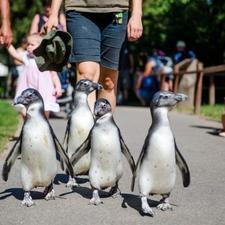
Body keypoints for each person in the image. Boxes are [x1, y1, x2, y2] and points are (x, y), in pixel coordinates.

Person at [44, 0, 143, 112]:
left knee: (108, 81)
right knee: (86, 75)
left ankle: (103, 127)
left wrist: (137, 13)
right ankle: (85, 128)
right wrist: (53, 13)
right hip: (80, 10)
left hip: (117, 11)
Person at [7, 33, 62, 118]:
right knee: (24, 111)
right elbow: (15, 54)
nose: (28, 46)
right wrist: (8, 44)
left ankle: (43, 128)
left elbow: (54, 75)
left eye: (32, 45)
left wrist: (58, 86)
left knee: (44, 112)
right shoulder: (26, 57)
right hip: (27, 89)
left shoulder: (47, 59)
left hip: (44, 89)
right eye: (28, 44)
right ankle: (28, 125)